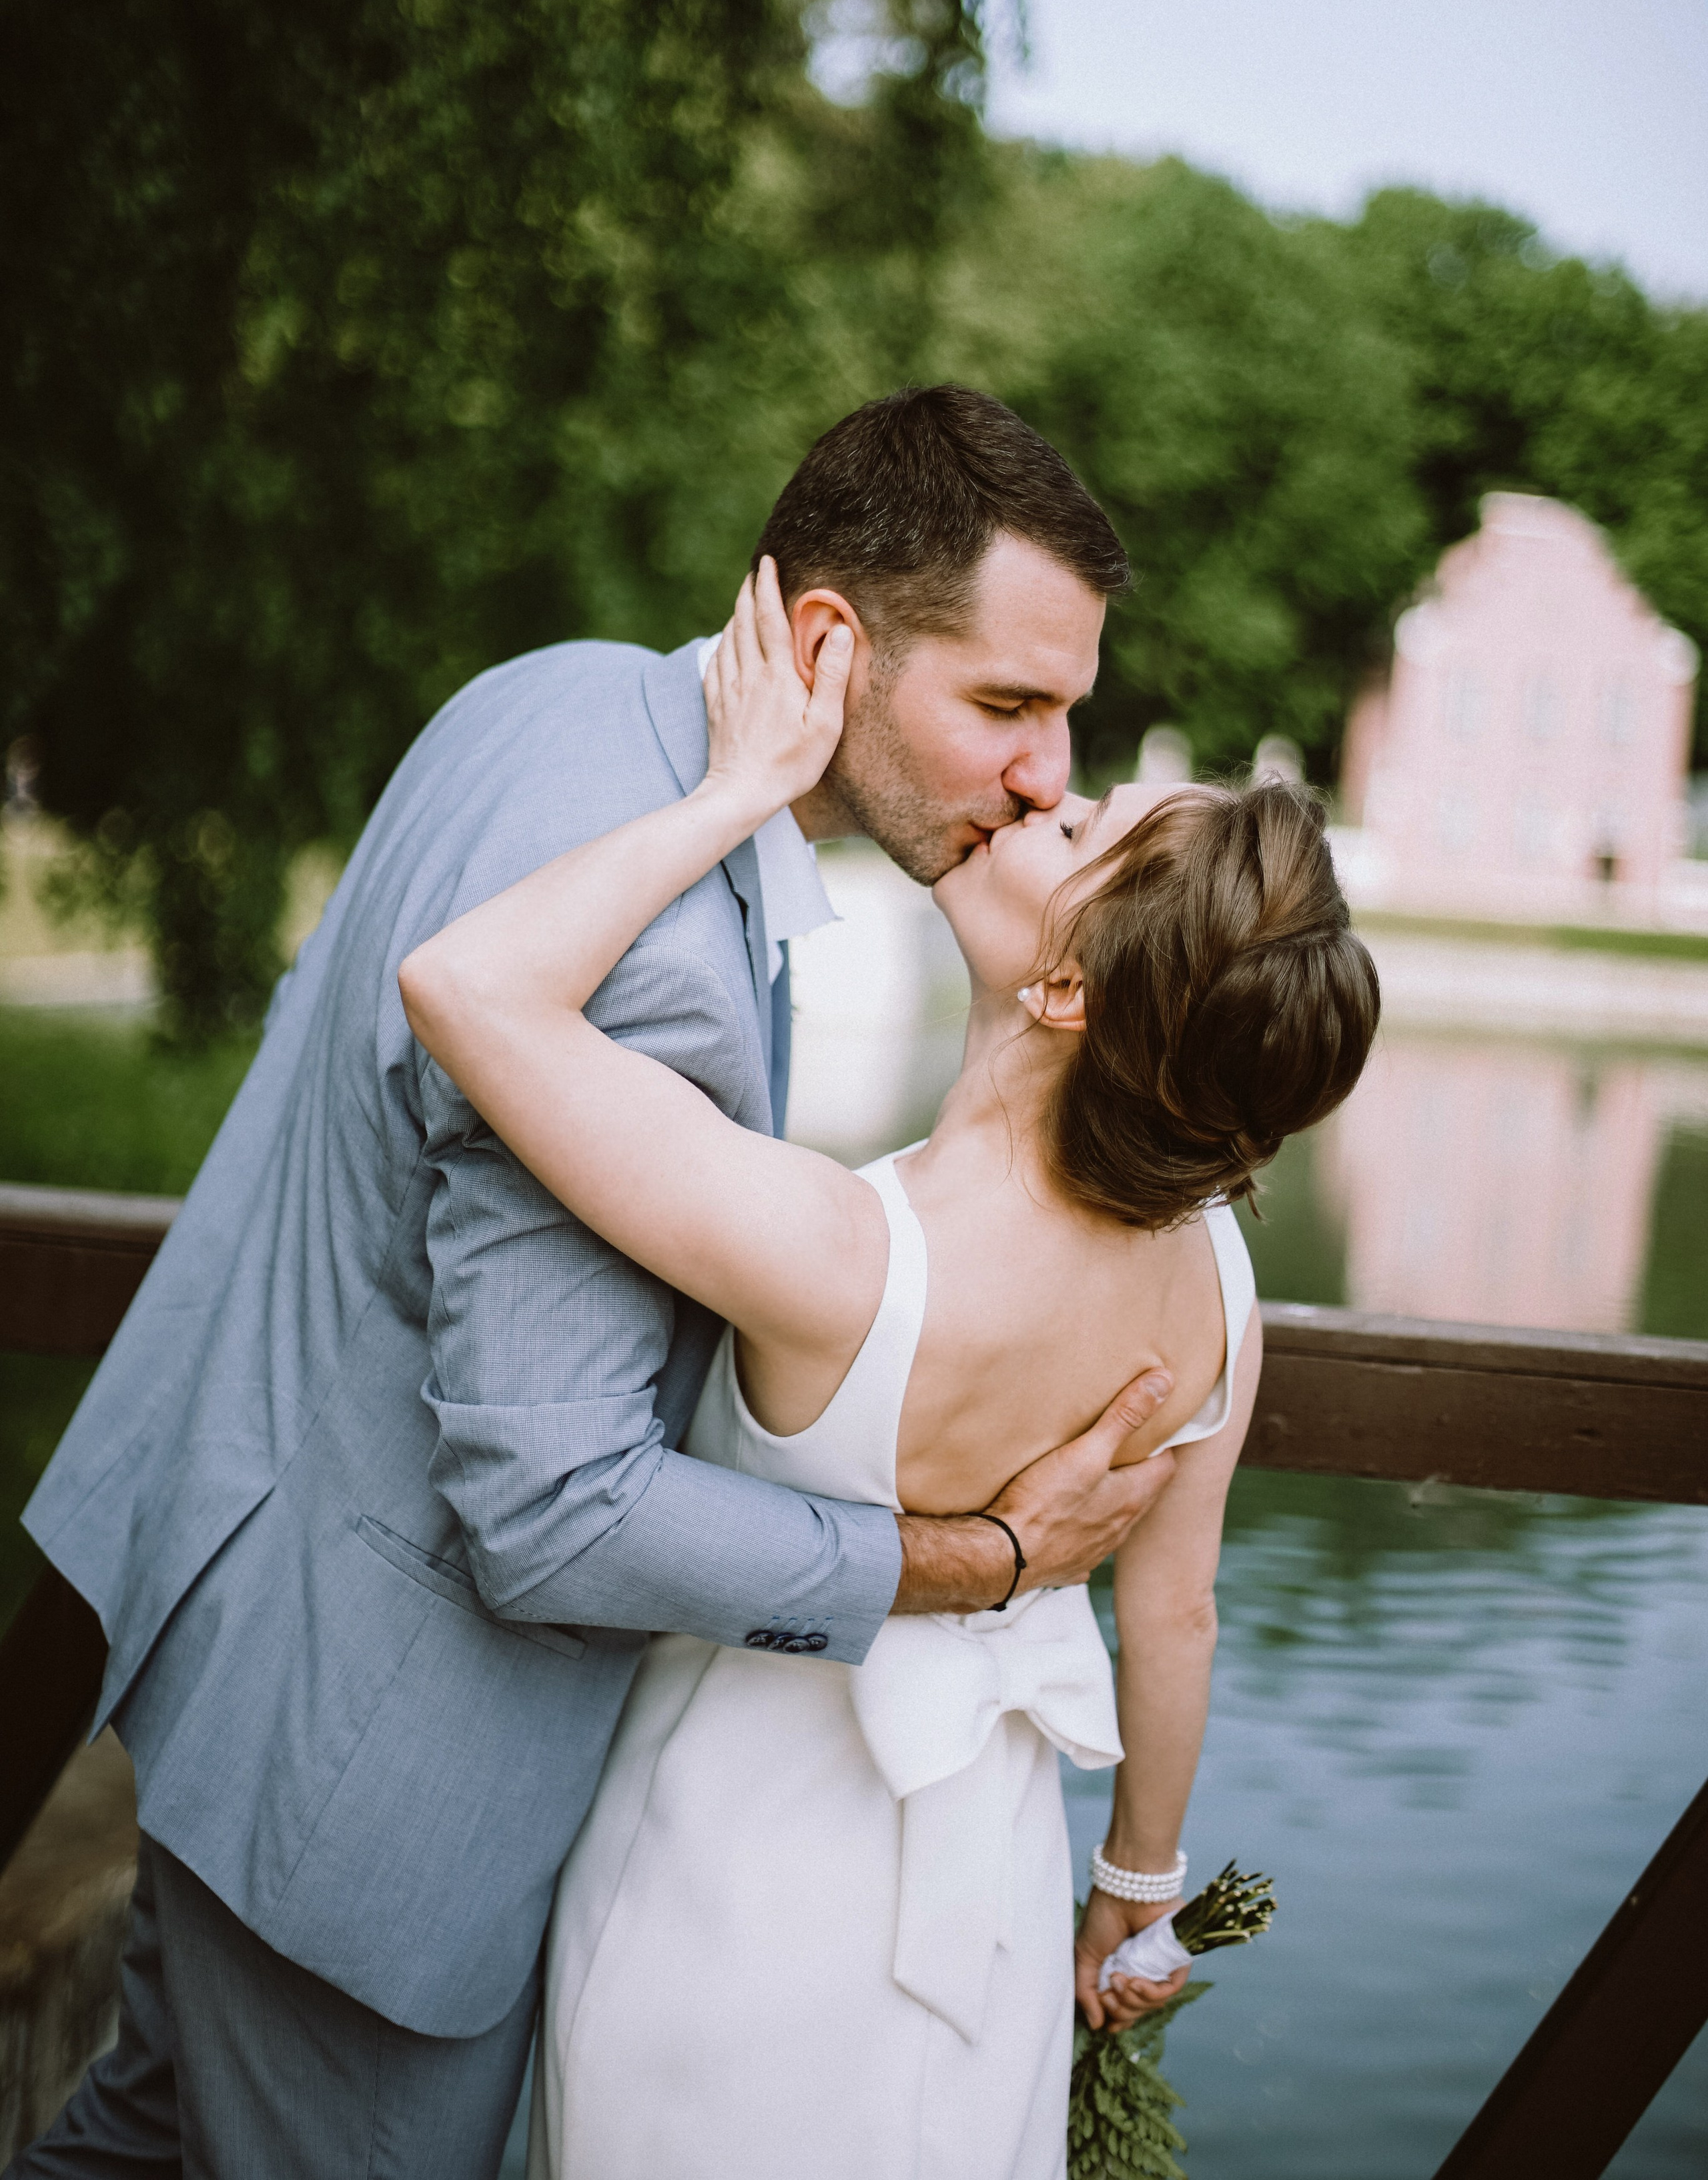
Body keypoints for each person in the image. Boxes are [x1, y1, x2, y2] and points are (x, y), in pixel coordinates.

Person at [11, 388, 1186, 2180]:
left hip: (229, 1643)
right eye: (1007, 707)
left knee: (128, 2146)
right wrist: (984, 1561)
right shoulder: (655, 967)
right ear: (826, 647)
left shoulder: (560, 695)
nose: (1046, 771)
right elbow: (554, 1514)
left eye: (1066, 718)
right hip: (374, 1797)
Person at [400, 562, 1380, 2180]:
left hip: (732, 1875)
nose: (1041, 795)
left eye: (1080, 829)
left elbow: (465, 986)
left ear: (1064, 987)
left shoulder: (837, 1253)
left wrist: (737, 792)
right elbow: (1175, 1614)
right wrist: (1134, 1892)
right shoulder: (1216, 1284)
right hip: (994, 1899)